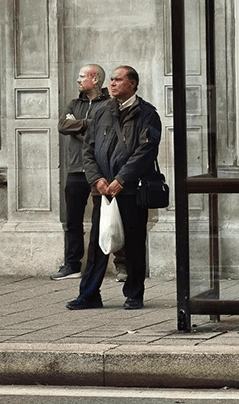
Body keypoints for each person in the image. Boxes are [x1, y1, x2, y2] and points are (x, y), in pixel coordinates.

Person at [66, 66, 162, 311]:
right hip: (104, 190)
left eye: (118, 80)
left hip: (130, 190)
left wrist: (121, 179)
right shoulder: (101, 111)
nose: (112, 84)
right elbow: (88, 149)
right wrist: (97, 179)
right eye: (111, 80)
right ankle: (88, 295)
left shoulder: (147, 113)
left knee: (134, 243)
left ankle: (134, 294)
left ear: (132, 84)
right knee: (98, 243)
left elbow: (146, 151)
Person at [52, 64, 119, 281]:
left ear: (96, 79)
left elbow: (106, 131)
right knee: (73, 219)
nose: (78, 80)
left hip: (100, 170)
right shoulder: (74, 103)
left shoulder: (109, 104)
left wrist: (79, 126)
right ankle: (72, 265)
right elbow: (62, 125)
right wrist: (90, 125)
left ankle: (121, 266)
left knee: (109, 217)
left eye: (83, 76)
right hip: (75, 169)